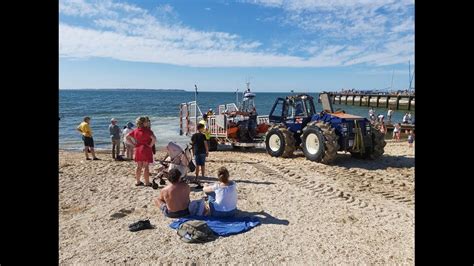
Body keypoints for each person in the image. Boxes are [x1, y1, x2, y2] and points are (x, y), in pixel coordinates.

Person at [126, 116, 156, 187]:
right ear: (144, 123)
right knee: (146, 166)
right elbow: (154, 139)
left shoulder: (136, 130)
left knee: (139, 166)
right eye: (146, 121)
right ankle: (147, 182)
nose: (147, 123)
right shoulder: (148, 131)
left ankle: (138, 181)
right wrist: (150, 145)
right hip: (146, 148)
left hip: (138, 149)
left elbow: (127, 137)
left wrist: (133, 144)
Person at [191, 123, 209, 189]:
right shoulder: (203, 135)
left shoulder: (193, 136)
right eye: (203, 128)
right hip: (203, 151)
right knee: (203, 164)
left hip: (196, 151)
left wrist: (193, 152)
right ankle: (203, 176)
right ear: (201, 128)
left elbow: (192, 145)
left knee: (197, 165)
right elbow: (205, 144)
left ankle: (197, 176)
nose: (203, 129)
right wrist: (207, 151)